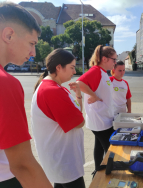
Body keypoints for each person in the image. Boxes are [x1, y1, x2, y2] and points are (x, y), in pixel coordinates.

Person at [0, 2, 52, 188]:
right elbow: (22, 165)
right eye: (32, 43)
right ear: (8, 35)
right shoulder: (5, 83)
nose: (33, 53)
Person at [31, 49, 86, 188]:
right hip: (65, 163)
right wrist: (79, 114)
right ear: (59, 67)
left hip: (61, 160)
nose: (74, 72)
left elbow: (76, 115)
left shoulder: (55, 87)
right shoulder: (52, 91)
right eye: (72, 67)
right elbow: (79, 122)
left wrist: (79, 95)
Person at [77, 45, 117, 176]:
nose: (115, 63)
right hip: (99, 119)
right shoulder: (96, 70)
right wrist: (93, 96)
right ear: (105, 59)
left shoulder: (102, 72)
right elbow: (79, 83)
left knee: (99, 146)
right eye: (114, 59)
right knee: (111, 149)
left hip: (103, 118)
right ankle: (109, 174)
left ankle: (97, 171)